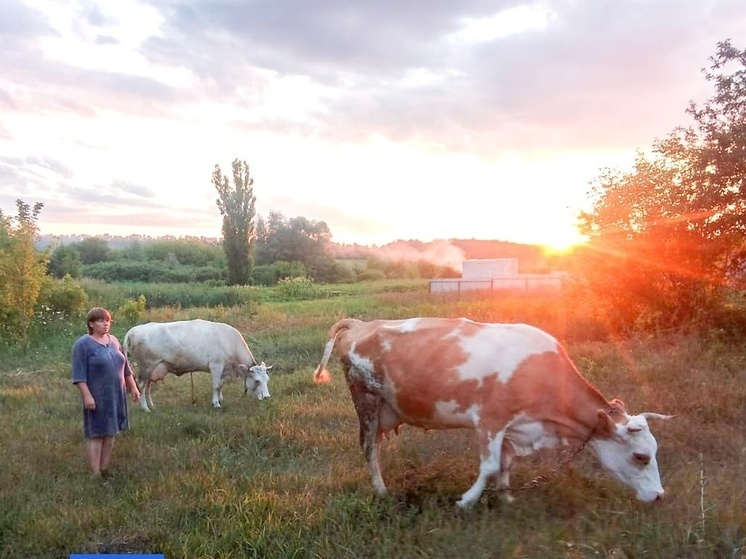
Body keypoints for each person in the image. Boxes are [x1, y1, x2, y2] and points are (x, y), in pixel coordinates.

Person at [71, 307, 140, 478]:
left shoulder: (114, 341)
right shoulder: (83, 344)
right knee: (97, 433)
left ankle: (104, 468)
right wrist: (87, 395)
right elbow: (79, 375)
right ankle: (95, 473)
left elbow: (125, 368)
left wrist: (133, 387)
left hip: (116, 395)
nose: (105, 324)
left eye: (108, 320)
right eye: (101, 321)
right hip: (97, 396)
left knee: (111, 432)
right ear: (91, 324)